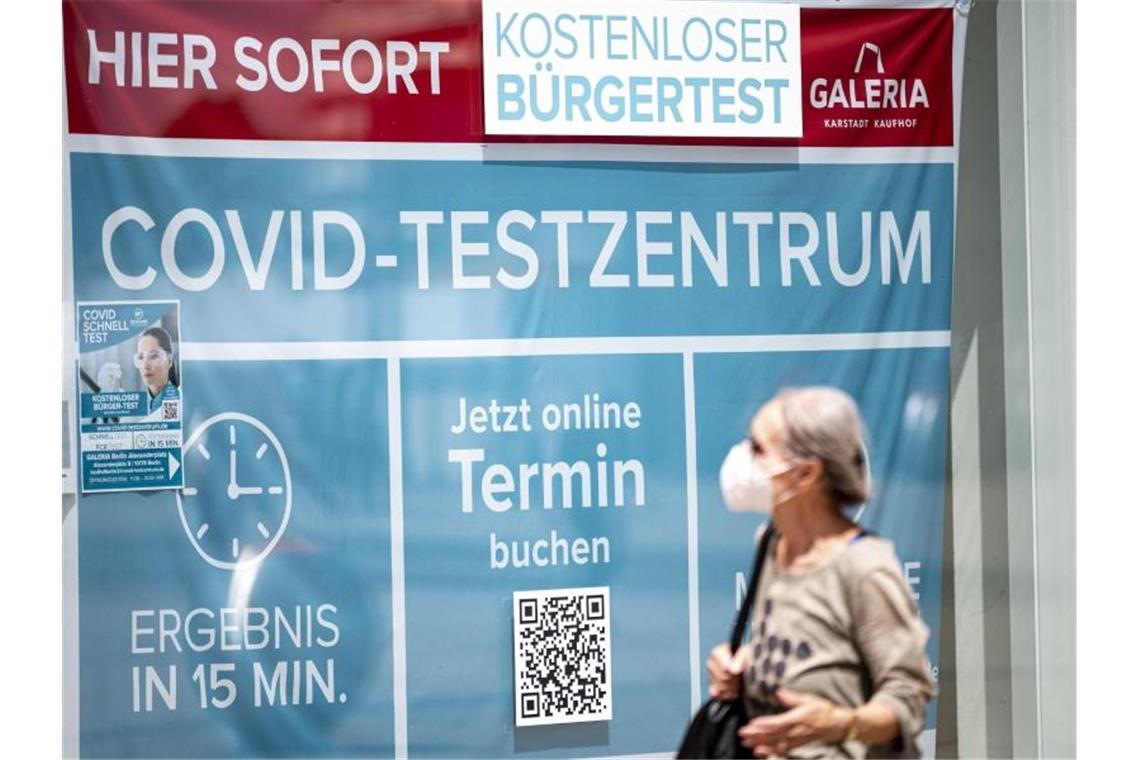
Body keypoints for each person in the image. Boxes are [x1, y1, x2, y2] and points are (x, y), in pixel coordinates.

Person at [708, 387, 935, 759]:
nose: (743, 460)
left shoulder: (865, 568)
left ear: (805, 473)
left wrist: (838, 723)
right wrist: (744, 663)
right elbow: (804, 649)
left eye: (758, 448)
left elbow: (907, 698)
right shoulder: (770, 543)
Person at [134, 326, 180, 418]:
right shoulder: (133, 410)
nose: (145, 365)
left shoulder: (181, 401)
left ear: (169, 360)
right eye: (140, 357)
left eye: (154, 356)